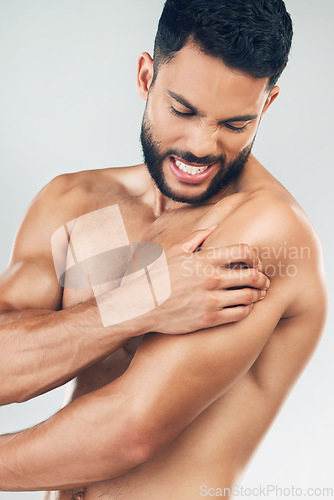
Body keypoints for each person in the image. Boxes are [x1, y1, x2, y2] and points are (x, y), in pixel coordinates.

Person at [0, 0, 327, 499]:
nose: (201, 145)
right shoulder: (73, 202)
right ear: (145, 76)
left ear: (267, 105)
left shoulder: (262, 229)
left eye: (235, 124)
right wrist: (142, 301)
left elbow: (129, 429)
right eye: (183, 109)